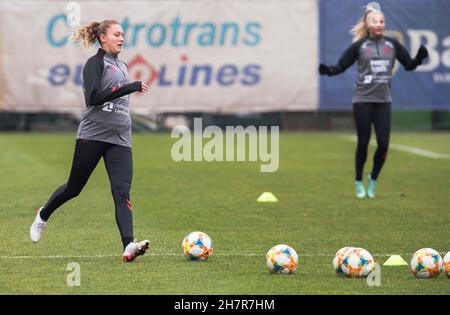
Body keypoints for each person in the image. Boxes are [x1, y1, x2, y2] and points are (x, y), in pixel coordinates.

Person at [29, 20, 151, 262]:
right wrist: (128, 87)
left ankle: (128, 245)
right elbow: (93, 98)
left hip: (120, 139)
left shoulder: (123, 65)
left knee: (122, 193)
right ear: (102, 38)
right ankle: (43, 214)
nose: (122, 38)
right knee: (74, 188)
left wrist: (126, 87)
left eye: (123, 34)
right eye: (117, 34)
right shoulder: (94, 63)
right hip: (93, 135)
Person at [318, 2, 428, 198]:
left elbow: (409, 65)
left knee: (384, 145)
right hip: (362, 99)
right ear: (368, 25)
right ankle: (358, 181)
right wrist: (327, 71)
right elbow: (341, 66)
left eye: (382, 21)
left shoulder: (392, 45)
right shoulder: (359, 46)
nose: (379, 24)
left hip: (383, 101)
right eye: (375, 22)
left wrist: (419, 58)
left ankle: (374, 178)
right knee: (363, 141)